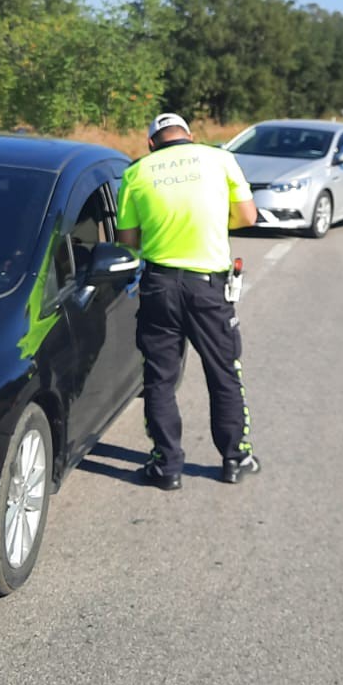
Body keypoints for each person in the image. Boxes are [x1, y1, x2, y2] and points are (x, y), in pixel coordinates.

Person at [116, 113, 260, 491]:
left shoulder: (136, 173)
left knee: (159, 378)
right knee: (223, 372)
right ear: (190, 137)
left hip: (159, 286)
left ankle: (167, 467)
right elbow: (248, 215)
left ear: (151, 143)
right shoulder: (219, 159)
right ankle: (235, 458)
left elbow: (127, 240)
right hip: (208, 289)